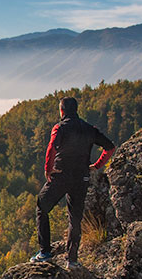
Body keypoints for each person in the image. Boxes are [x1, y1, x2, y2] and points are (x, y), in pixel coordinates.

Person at [30, 96, 114, 268]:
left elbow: (52, 147)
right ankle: (72, 259)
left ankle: (45, 252)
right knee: (75, 217)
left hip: (60, 175)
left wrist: (48, 169)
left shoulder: (60, 128)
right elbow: (110, 147)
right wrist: (97, 165)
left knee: (42, 206)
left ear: (62, 111)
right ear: (76, 110)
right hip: (81, 177)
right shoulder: (89, 129)